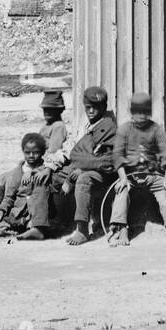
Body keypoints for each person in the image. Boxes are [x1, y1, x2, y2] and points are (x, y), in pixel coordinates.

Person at [108, 91, 166, 246]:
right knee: (121, 191)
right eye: (137, 111)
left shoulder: (156, 129)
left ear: (149, 112)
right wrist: (123, 178)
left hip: (151, 175)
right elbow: (117, 156)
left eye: (144, 111)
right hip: (129, 175)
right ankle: (121, 228)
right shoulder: (124, 129)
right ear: (131, 112)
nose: (141, 115)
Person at [44, 86, 116, 245]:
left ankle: (82, 229)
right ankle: (60, 220)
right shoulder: (87, 124)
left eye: (95, 107)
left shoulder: (108, 127)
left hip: (101, 172)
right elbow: (75, 152)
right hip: (84, 166)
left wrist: (81, 167)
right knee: (55, 177)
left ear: (103, 107)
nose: (91, 111)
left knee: (83, 180)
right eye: (88, 107)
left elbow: (107, 161)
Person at [0, 132, 55, 240]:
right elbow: (9, 197)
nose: (31, 156)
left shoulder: (45, 170)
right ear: (23, 152)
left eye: (35, 152)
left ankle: (35, 229)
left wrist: (33, 172)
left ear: (42, 152)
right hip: (16, 215)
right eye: (27, 152)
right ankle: (14, 232)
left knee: (39, 223)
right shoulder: (16, 173)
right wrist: (1, 210)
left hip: (34, 214)